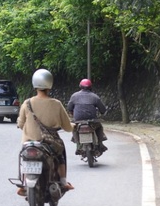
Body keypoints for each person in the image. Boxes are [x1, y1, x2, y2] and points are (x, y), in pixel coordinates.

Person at [17, 68, 75, 196]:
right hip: (49, 144)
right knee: (60, 154)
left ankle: (24, 183)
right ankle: (64, 182)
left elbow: (20, 124)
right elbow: (67, 127)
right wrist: (73, 126)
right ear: (50, 84)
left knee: (24, 157)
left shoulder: (27, 103)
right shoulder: (57, 104)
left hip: (29, 143)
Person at [67, 78, 108, 151]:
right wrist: (102, 112)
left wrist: (71, 112)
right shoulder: (94, 97)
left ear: (80, 86)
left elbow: (69, 107)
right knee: (99, 127)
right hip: (92, 121)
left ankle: (77, 145)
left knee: (74, 129)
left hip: (78, 121)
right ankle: (100, 144)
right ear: (90, 87)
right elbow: (102, 110)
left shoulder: (74, 96)